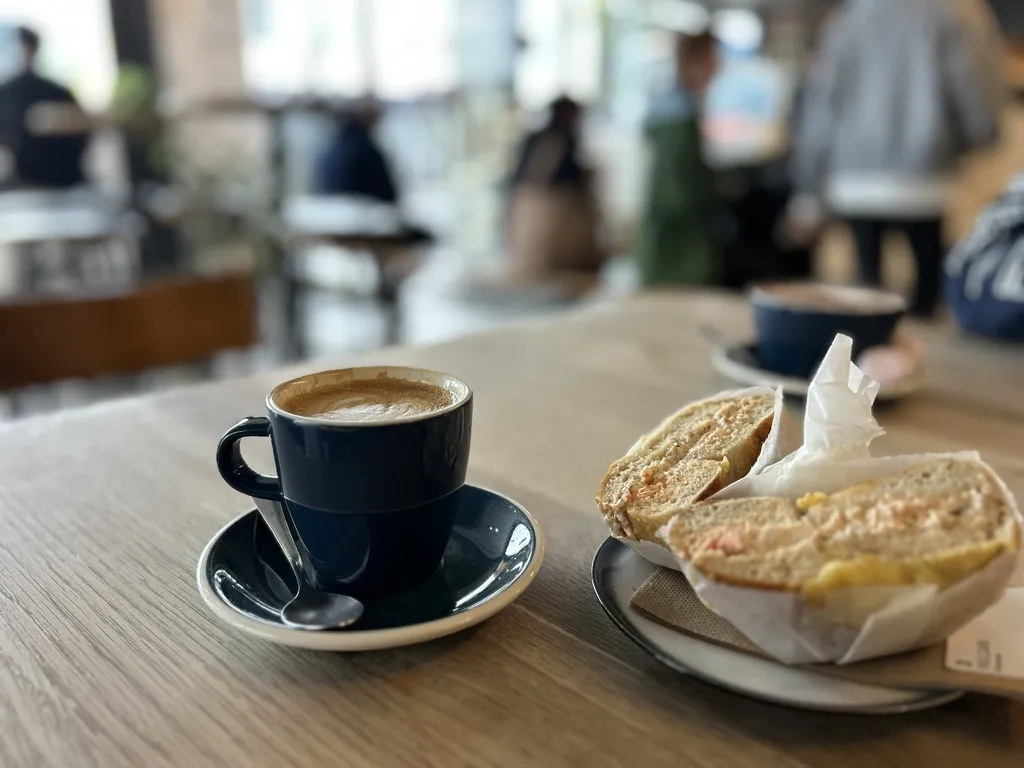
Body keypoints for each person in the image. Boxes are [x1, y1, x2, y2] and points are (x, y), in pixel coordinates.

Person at [789, 0, 1004, 317]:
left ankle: (868, 353)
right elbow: (975, 93)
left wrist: (808, 183)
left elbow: (821, 105)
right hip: (925, 174)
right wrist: (976, 139)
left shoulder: (849, 19)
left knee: (866, 283)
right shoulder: (954, 14)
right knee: (927, 284)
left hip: (855, 174)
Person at [634, 30, 720, 287]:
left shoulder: (675, 106)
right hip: (677, 247)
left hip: (669, 237)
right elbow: (675, 191)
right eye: (712, 58)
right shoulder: (677, 115)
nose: (717, 66)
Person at [505, 96, 605, 279]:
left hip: (531, 204)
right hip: (547, 207)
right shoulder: (555, 138)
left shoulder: (552, 138)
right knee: (541, 261)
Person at [0, 27, 89, 188]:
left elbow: (82, 132)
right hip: (21, 182)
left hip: (62, 179)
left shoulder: (58, 92)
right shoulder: (6, 93)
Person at [315, 101, 399, 203]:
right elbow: (387, 193)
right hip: (362, 210)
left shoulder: (332, 145)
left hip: (333, 208)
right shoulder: (367, 152)